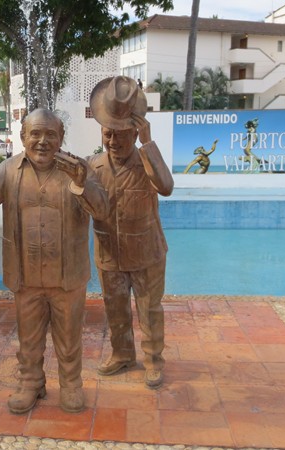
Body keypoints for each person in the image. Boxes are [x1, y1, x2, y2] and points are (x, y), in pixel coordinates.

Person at [0, 108, 108, 414]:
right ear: (23, 136)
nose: (42, 141)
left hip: (67, 275)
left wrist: (82, 185)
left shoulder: (79, 169)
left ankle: (71, 384)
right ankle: (30, 382)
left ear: (61, 138)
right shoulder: (9, 170)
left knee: (69, 337)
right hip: (25, 273)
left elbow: (102, 211)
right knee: (28, 337)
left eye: (50, 134)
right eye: (35, 134)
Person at [87, 76, 174, 389]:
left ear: (136, 132)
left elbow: (166, 186)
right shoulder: (93, 166)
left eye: (121, 134)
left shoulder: (147, 161)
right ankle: (122, 354)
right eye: (107, 133)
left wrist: (148, 146)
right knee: (115, 309)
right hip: (109, 253)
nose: (113, 141)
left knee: (149, 310)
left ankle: (153, 360)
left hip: (147, 252)